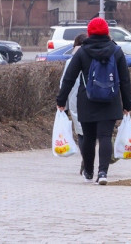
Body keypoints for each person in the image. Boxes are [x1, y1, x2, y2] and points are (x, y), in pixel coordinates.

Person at [56, 17, 131, 186]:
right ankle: (103, 172)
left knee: (89, 137)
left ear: (89, 32)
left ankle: (89, 172)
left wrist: (61, 100)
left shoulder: (83, 51)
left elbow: (69, 77)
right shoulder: (116, 51)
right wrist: (128, 104)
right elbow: (125, 80)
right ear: (107, 32)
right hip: (110, 100)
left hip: (87, 99)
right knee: (105, 136)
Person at [60, 33, 87, 176]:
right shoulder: (93, 57)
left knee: (81, 133)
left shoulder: (71, 61)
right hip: (93, 99)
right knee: (92, 132)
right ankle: (90, 159)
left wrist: (62, 103)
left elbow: (64, 82)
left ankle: (86, 159)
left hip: (75, 101)